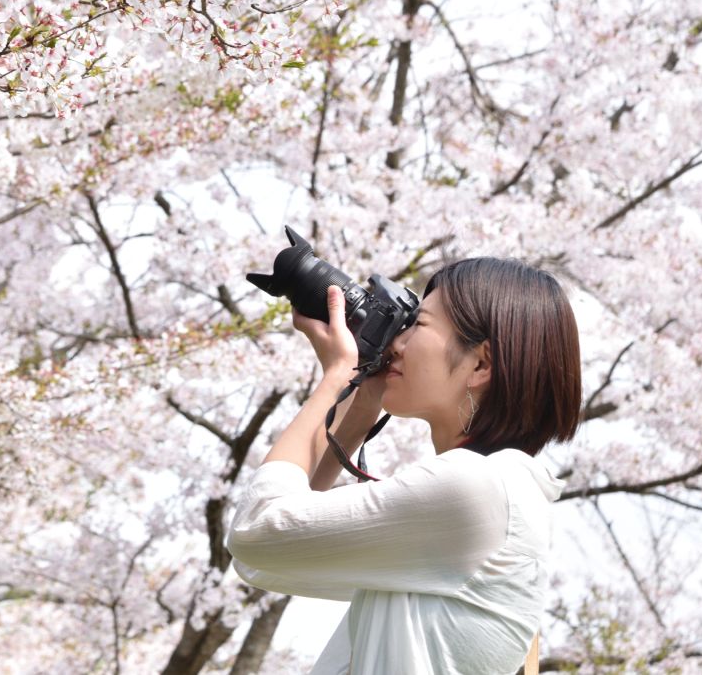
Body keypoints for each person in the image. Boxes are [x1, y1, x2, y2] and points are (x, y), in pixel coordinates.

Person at [225, 257, 582, 675]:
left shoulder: (480, 487)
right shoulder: (502, 493)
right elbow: (268, 556)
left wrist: (338, 375)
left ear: (481, 364)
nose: (396, 341)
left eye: (419, 324)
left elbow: (256, 532)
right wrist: (361, 403)